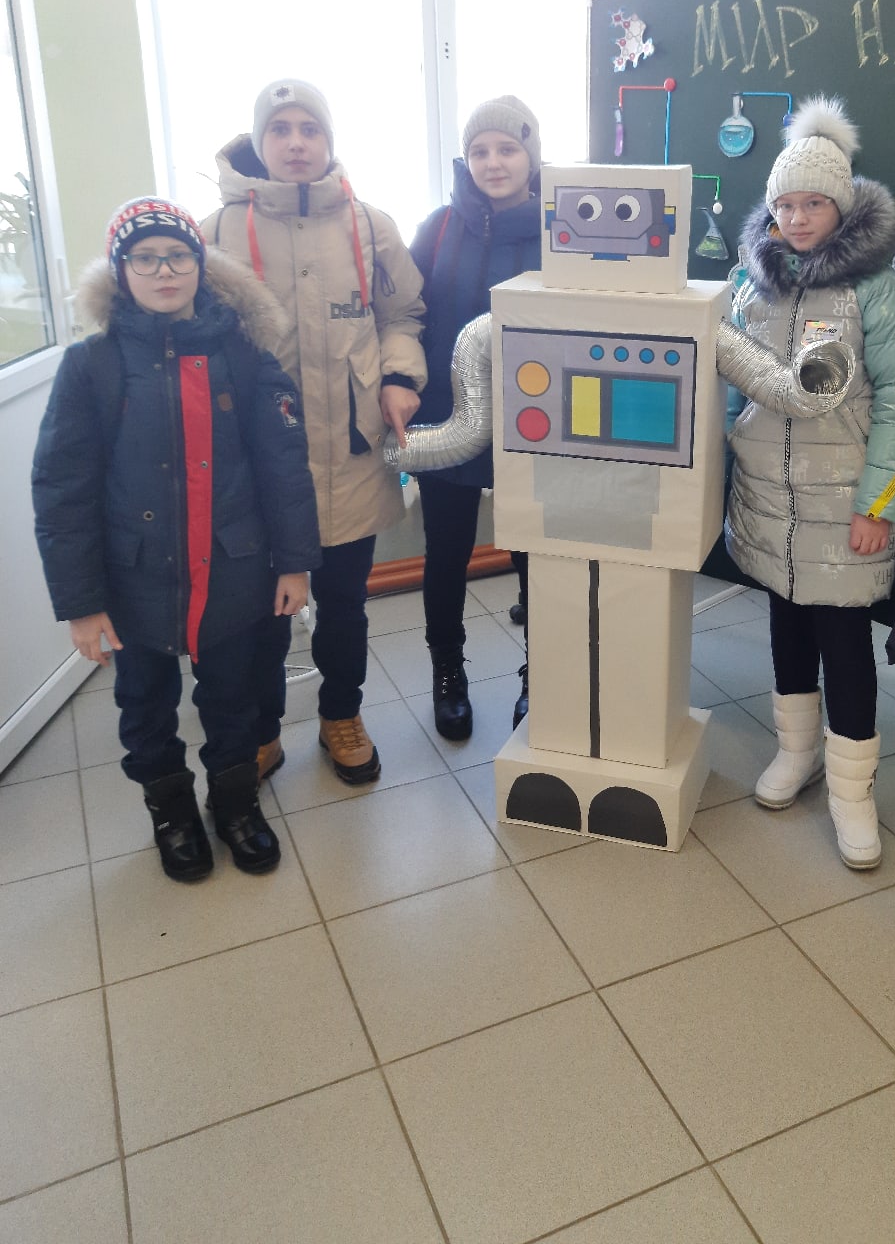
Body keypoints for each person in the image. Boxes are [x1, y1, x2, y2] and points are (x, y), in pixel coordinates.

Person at [32, 198, 321, 881]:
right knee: (144, 704)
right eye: (145, 258)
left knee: (234, 696)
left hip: (234, 571)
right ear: (121, 271)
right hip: (134, 581)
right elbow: (63, 490)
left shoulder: (242, 355)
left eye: (178, 256)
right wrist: (82, 603)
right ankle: (171, 809)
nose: (163, 271)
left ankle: (236, 802)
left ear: (200, 266)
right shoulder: (92, 366)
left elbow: (284, 467)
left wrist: (295, 564)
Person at [202, 81, 427, 784]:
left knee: (345, 605)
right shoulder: (214, 234)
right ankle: (263, 730)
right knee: (262, 611)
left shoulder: (370, 225)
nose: (296, 143)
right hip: (258, 466)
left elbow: (403, 314)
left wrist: (399, 375)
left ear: (328, 141)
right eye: (280, 129)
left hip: (350, 454)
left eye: (310, 129)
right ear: (260, 142)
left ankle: (341, 715)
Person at [725, 97, 895, 869]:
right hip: (767, 497)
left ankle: (851, 791)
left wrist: (879, 505)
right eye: (786, 205)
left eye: (813, 204)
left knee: (844, 643)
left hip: (845, 504)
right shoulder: (755, 283)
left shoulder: (878, 291)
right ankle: (796, 752)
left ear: (842, 207)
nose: (798, 219)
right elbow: (735, 384)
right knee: (785, 628)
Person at [409, 95, 542, 739]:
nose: (494, 162)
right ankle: (448, 674)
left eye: (507, 148)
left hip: (534, 423)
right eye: (480, 151)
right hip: (448, 418)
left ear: (531, 156)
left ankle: (538, 674)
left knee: (534, 554)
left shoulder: (561, 228)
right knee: (446, 553)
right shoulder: (438, 228)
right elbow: (408, 315)